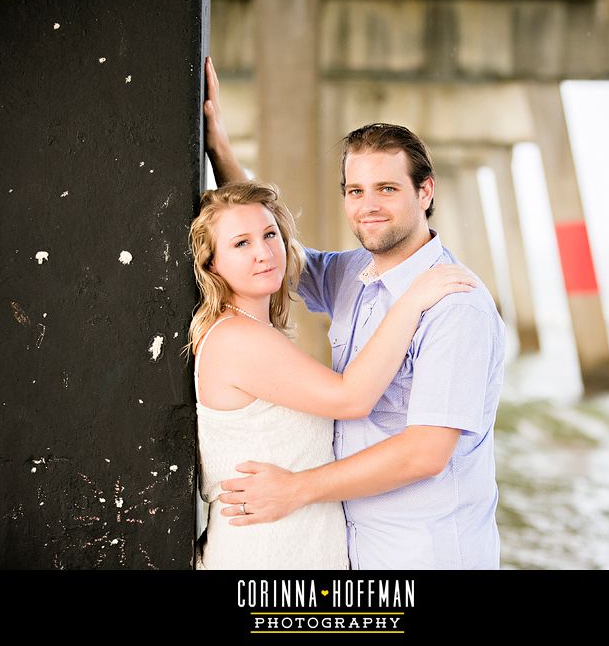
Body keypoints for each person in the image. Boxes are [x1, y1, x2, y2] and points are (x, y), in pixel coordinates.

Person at [203, 56, 507, 570]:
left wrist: (298, 489)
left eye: (387, 189)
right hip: (352, 551)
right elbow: (275, 255)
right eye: (355, 190)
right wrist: (221, 152)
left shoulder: (457, 305)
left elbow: (425, 454)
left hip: (426, 554)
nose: (368, 205)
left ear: (424, 190)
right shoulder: (354, 276)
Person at [188, 180, 477, 569]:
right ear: (211, 264)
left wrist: (222, 153)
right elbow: (351, 399)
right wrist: (411, 301)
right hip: (267, 555)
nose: (263, 252)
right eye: (241, 244)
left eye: (270, 234)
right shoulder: (237, 339)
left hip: (296, 551)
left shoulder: (255, 332)